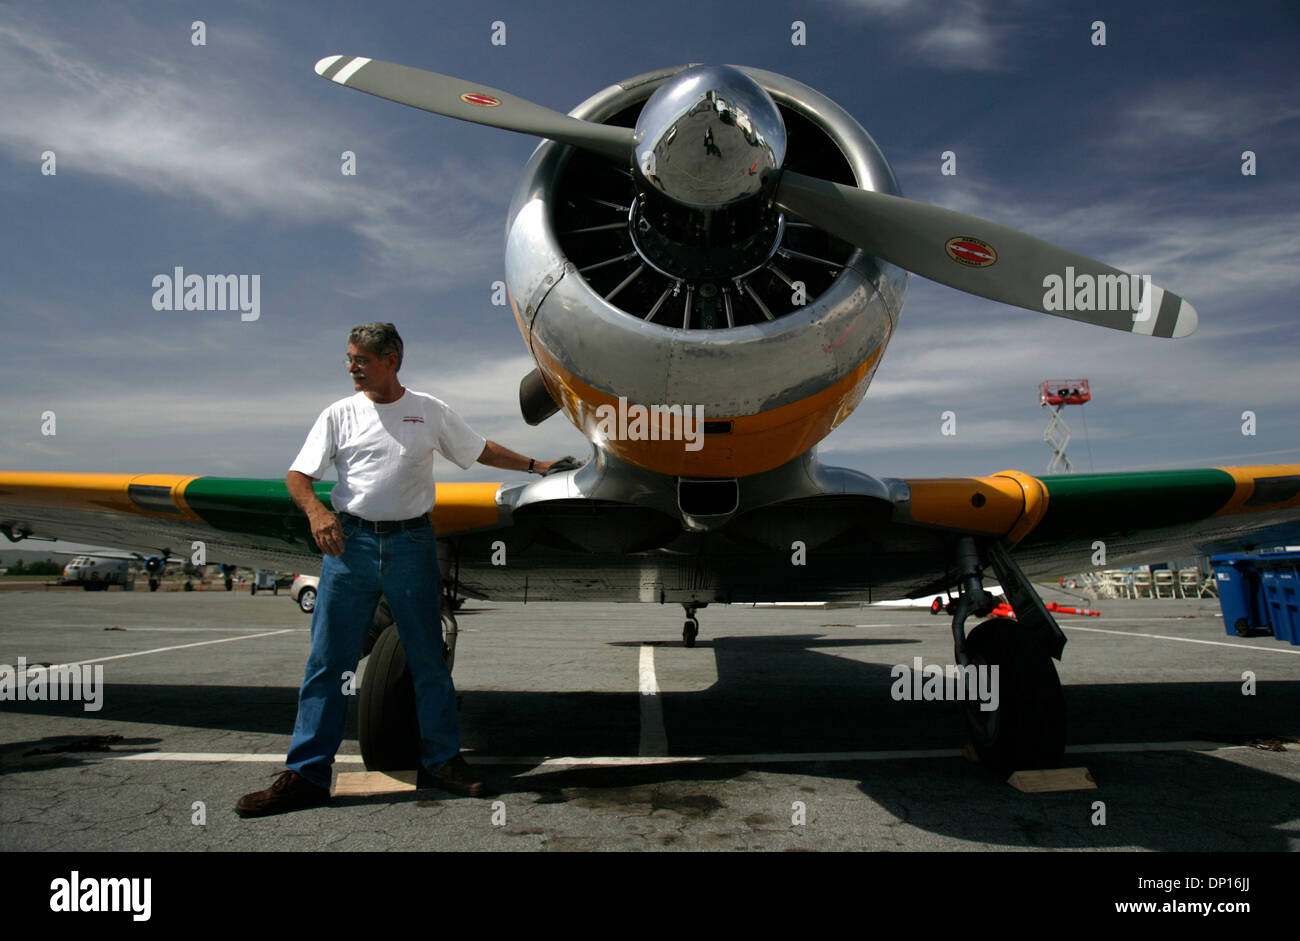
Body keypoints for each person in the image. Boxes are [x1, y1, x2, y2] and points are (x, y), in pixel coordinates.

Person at [236, 322, 556, 817]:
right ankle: (306, 775)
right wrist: (318, 513)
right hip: (350, 546)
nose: (351, 368)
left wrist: (537, 466)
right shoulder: (338, 414)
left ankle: (444, 761)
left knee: (428, 660)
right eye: (349, 359)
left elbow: (479, 449)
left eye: (360, 359)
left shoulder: (427, 411)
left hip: (411, 543)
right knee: (327, 664)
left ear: (391, 360)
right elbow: (298, 475)